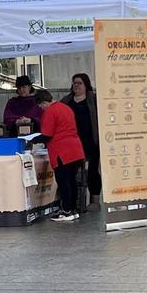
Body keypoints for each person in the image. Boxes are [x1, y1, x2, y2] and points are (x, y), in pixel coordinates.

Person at [33, 89, 86, 222]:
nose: (41, 109)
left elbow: (47, 135)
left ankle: (66, 211)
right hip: (75, 149)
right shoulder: (65, 108)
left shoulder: (50, 112)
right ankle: (73, 210)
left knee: (64, 182)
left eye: (40, 106)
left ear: (44, 103)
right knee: (72, 181)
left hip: (61, 152)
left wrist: (32, 140)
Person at [61, 73, 101, 211]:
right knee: (71, 173)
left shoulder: (94, 100)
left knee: (93, 172)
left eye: (79, 83)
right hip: (71, 143)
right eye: (74, 83)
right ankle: (74, 202)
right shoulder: (66, 101)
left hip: (91, 141)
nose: (76, 85)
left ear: (86, 85)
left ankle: (95, 200)